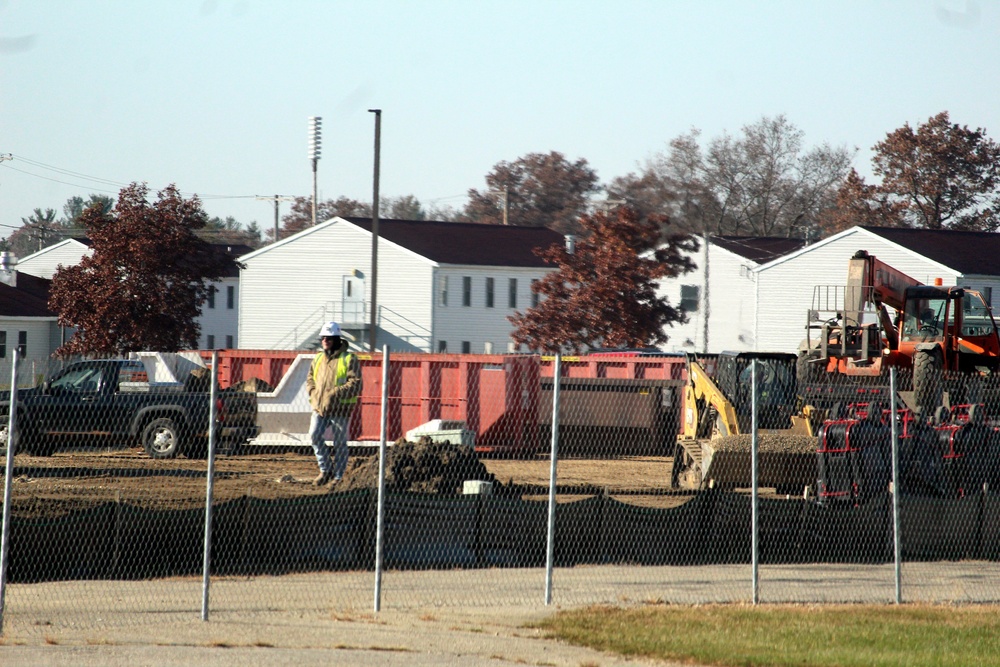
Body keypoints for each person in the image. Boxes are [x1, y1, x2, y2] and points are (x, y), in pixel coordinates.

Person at [306, 321, 362, 486]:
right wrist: (313, 393)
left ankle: (338, 477)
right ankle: (326, 470)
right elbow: (310, 379)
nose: (325, 340)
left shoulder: (348, 359)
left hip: (340, 408)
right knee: (314, 435)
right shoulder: (318, 358)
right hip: (320, 407)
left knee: (339, 443)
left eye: (329, 338)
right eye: (323, 337)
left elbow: (356, 383)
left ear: (337, 339)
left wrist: (334, 394)